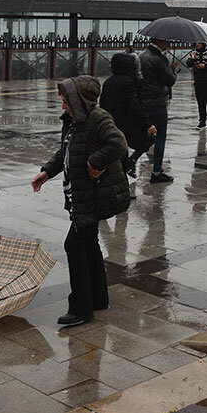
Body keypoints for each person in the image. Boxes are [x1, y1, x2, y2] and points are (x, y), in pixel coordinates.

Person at [30, 77, 130, 327]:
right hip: (81, 194)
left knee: (74, 245)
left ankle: (81, 308)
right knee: (88, 244)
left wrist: (95, 161)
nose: (63, 104)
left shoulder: (98, 118)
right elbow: (65, 151)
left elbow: (119, 144)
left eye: (66, 100)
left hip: (93, 196)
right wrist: (47, 172)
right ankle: (98, 298)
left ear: (79, 100)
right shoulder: (74, 120)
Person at [99, 53, 155, 179]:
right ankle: (128, 167)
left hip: (110, 123)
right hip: (124, 124)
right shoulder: (128, 82)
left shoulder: (109, 81)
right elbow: (133, 105)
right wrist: (147, 124)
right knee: (146, 140)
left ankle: (124, 171)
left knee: (117, 154)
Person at [138, 37, 178, 183]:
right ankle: (156, 171)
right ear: (160, 42)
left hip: (144, 100)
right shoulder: (159, 59)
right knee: (160, 135)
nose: (168, 44)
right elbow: (169, 80)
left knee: (149, 134)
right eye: (166, 42)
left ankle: (133, 158)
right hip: (157, 101)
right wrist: (173, 69)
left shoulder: (141, 56)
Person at [185, 42, 207, 131]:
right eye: (197, 43)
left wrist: (205, 66)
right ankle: (202, 121)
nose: (197, 45)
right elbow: (188, 63)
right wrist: (193, 59)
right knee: (200, 102)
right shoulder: (194, 52)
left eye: (199, 43)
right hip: (198, 80)